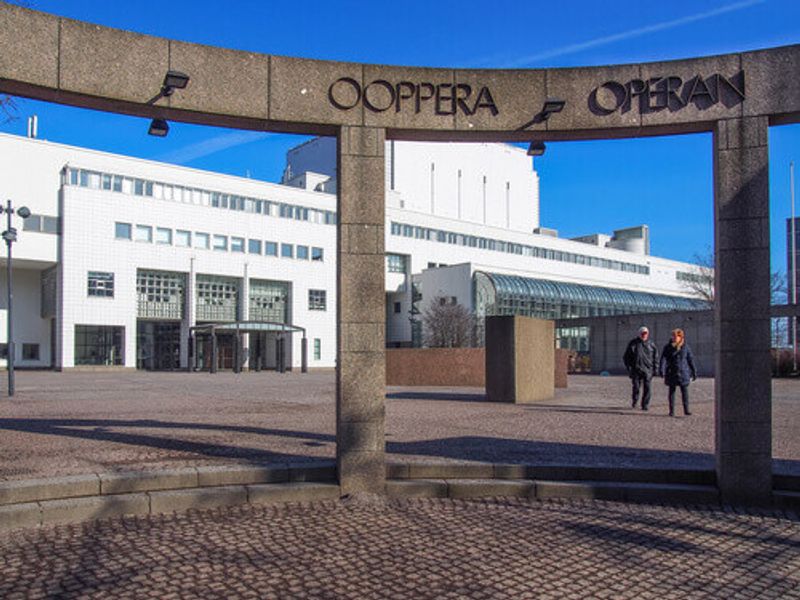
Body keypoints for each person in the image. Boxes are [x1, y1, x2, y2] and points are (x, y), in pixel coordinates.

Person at [659, 328, 697, 417]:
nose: (674, 338)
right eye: (673, 336)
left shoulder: (685, 347)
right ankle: (671, 410)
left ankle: (686, 409)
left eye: (676, 336)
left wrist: (694, 371)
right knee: (672, 391)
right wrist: (661, 369)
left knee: (684, 391)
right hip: (671, 371)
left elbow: (690, 359)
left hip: (683, 372)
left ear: (681, 337)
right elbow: (663, 359)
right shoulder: (668, 347)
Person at [623, 326, 659, 410]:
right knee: (636, 387)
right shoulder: (633, 343)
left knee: (647, 388)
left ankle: (645, 404)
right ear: (639, 334)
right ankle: (635, 401)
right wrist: (629, 367)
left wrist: (655, 368)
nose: (644, 335)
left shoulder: (651, 344)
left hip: (648, 369)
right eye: (642, 334)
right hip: (636, 369)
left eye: (645, 334)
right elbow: (626, 357)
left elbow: (656, 357)